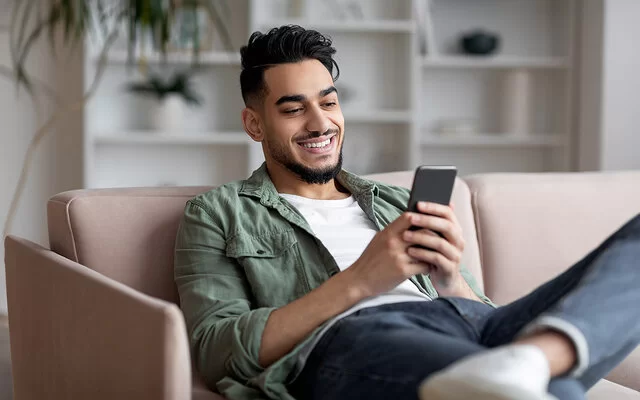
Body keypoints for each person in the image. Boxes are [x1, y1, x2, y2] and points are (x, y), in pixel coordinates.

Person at [174, 25, 640, 400]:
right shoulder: (219, 213)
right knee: (549, 387)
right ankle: (534, 367)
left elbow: (479, 314)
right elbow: (217, 350)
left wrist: (451, 282)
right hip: (351, 341)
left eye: (329, 102)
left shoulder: (394, 200)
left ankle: (530, 358)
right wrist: (361, 280)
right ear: (254, 123)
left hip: (466, 325)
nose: (320, 124)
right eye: (294, 109)